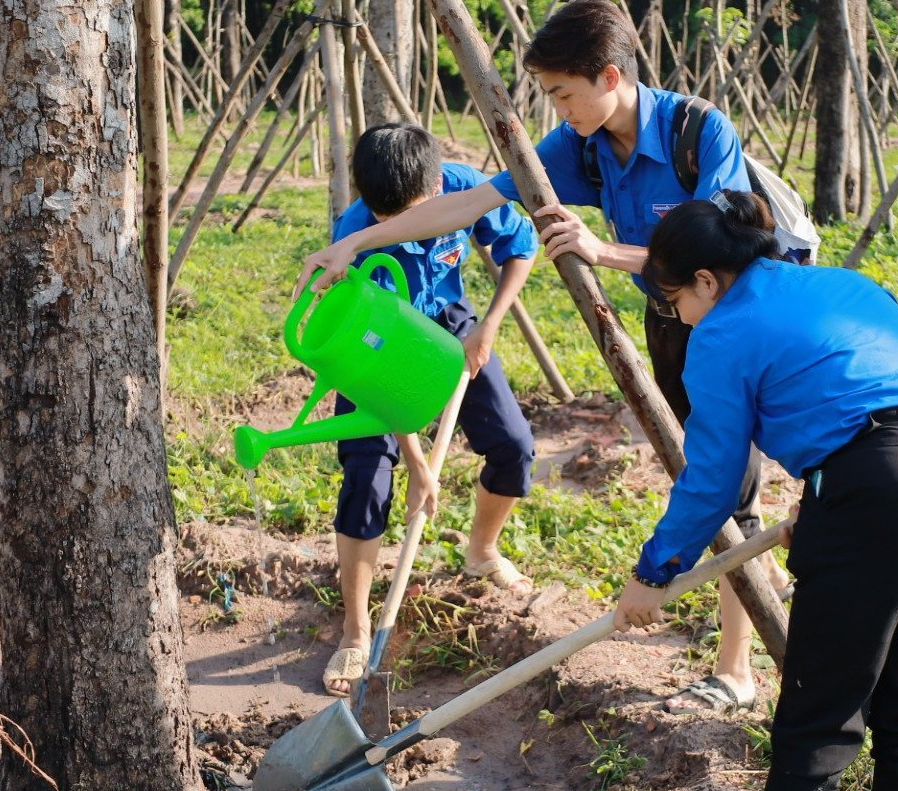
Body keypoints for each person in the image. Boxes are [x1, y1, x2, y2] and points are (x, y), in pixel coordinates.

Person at [300, 0, 789, 714]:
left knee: (730, 486)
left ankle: (736, 668)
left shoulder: (697, 130)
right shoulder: (581, 143)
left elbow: (724, 249)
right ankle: (751, 586)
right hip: (672, 319)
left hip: (741, 320)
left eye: (562, 92)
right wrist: (357, 242)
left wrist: (603, 252)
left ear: (609, 77)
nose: (556, 110)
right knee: (703, 471)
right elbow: (467, 205)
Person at [614, 189, 898, 791]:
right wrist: (829, 502)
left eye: (675, 301)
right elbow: (858, 394)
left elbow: (714, 479)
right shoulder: (846, 285)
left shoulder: (720, 334)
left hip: (871, 489)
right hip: (867, 485)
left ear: (706, 282)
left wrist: (654, 570)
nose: (680, 317)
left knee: (817, 719)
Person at [316, 123, 539, 697]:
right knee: (368, 475)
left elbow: (520, 248)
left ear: (435, 184)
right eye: (382, 217)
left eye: (410, 214)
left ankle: (482, 552)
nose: (394, 227)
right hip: (375, 345)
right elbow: (380, 374)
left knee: (513, 446)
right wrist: (417, 463)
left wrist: (486, 326)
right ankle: (356, 630)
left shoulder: (464, 187)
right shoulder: (355, 235)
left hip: (450, 323)